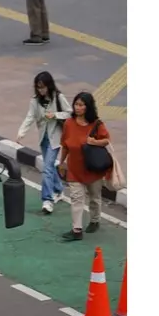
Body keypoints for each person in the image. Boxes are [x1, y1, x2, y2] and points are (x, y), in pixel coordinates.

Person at [57, 92, 110, 241]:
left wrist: (94, 142)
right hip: (74, 169)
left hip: (93, 168)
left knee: (94, 198)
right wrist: (61, 162)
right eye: (76, 104)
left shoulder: (97, 124)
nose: (78, 108)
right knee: (76, 198)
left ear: (88, 107)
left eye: (81, 105)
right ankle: (77, 230)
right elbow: (65, 145)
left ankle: (95, 220)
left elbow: (106, 140)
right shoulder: (69, 123)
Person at [16, 71, 71, 214]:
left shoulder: (58, 97)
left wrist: (55, 115)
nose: (41, 90)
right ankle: (58, 190)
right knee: (49, 166)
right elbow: (30, 117)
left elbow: (70, 113)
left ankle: (47, 200)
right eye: (38, 87)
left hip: (55, 138)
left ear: (49, 85)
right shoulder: (35, 101)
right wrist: (21, 133)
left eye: (43, 87)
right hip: (43, 138)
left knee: (47, 168)